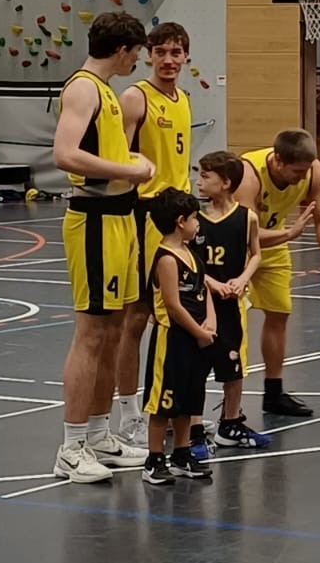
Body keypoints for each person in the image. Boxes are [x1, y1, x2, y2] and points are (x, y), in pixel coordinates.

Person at [52, 11, 152, 483]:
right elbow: (65, 154)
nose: (137, 61)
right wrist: (130, 170)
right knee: (91, 333)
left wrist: (129, 160)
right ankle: (71, 448)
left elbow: (99, 154)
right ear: (122, 50)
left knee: (113, 331)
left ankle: (98, 436)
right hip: (93, 221)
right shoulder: (83, 88)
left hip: (119, 219)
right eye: (137, 53)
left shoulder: (107, 92)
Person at [115, 22, 192, 446]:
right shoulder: (135, 97)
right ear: (148, 55)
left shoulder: (184, 99)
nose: (168, 60)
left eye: (175, 52)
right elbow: (121, 159)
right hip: (147, 215)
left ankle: (176, 409)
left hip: (181, 216)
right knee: (139, 317)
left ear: (186, 57)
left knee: (177, 315)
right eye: (160, 52)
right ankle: (129, 414)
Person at [235, 129, 320, 416]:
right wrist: (289, 234)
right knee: (233, 325)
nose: (302, 177)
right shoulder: (249, 175)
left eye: (306, 170)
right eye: (297, 171)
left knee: (279, 313)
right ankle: (230, 405)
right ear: (277, 160)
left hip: (273, 246)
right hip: (238, 250)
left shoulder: (313, 171)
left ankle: (274, 393)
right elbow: (243, 234)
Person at [192, 151, 271, 451]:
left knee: (233, 364)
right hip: (201, 303)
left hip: (231, 303)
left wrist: (243, 279)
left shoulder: (246, 217)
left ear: (225, 183)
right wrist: (211, 282)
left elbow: (256, 254)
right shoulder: (194, 219)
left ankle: (231, 423)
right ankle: (194, 430)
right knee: (196, 368)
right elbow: (188, 260)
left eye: (205, 176)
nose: (198, 182)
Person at [141, 187, 215, 485]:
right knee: (164, 404)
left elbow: (203, 290)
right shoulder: (167, 260)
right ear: (181, 221)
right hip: (171, 340)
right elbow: (172, 305)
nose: (198, 223)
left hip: (195, 339)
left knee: (188, 400)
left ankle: (182, 454)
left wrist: (210, 321)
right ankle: (154, 459)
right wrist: (198, 332)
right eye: (195, 217)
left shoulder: (191, 255)